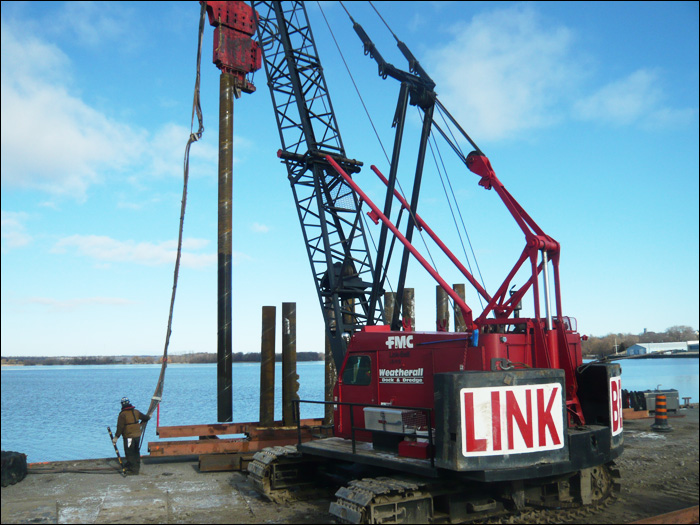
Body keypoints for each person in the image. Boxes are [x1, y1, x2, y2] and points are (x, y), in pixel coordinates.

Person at [112, 397, 150, 475]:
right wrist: (140, 424)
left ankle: (133, 470)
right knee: (136, 451)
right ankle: (135, 466)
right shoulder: (136, 412)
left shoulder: (123, 414)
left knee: (129, 452)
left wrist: (116, 437)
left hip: (129, 437)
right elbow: (146, 418)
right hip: (137, 436)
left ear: (122, 405)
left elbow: (120, 427)